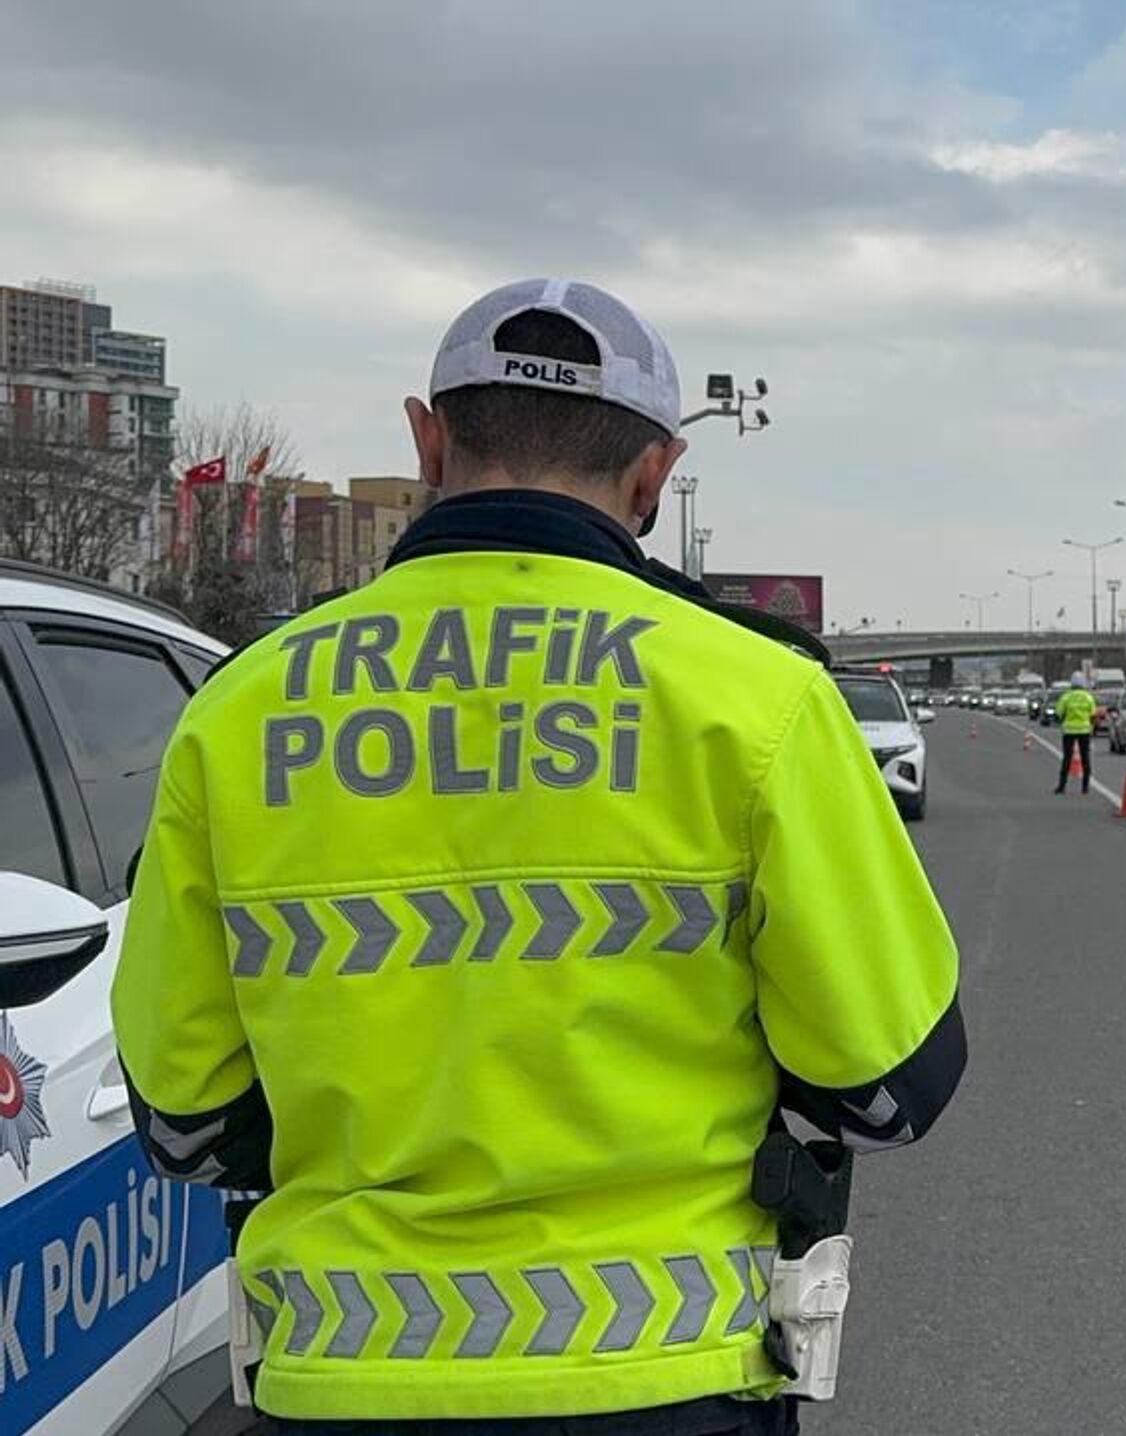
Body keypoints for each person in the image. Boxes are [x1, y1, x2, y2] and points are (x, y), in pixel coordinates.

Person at [111, 279, 966, 1433]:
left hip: (340, 1376)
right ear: (655, 475)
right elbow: (893, 1080)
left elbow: (183, 1111)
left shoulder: (241, 707)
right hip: (671, 1377)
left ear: (427, 438)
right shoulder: (758, 696)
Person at [1054, 674, 1096, 794]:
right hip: (1084, 730)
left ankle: (1062, 786)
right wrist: (1090, 726)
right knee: (1085, 758)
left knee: (1067, 758)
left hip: (1069, 730)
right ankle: (1085, 787)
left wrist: (1063, 722)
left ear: (1071, 684)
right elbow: (1093, 714)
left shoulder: (1066, 697)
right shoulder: (1088, 697)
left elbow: (1059, 713)